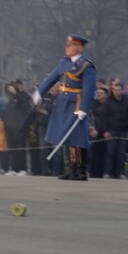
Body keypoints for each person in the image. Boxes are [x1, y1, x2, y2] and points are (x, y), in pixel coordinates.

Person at [35, 33, 97, 181]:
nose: (67, 48)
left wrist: (84, 108)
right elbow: (51, 79)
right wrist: (39, 93)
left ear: (79, 48)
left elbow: (89, 89)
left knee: (77, 138)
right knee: (66, 137)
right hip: (63, 103)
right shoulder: (64, 62)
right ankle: (70, 168)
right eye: (68, 45)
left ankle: (80, 170)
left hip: (76, 104)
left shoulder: (86, 65)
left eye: (71, 45)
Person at [1, 81, 33, 176]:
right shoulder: (11, 100)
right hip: (10, 127)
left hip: (20, 128)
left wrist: (16, 93)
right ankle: (14, 168)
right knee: (12, 149)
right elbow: (7, 112)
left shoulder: (24, 96)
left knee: (20, 149)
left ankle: (23, 169)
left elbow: (25, 106)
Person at [103, 79, 128, 180]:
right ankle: (107, 172)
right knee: (110, 152)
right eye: (115, 90)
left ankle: (120, 173)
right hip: (111, 130)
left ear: (122, 90)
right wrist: (106, 130)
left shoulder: (126, 101)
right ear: (112, 91)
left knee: (121, 153)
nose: (117, 92)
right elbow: (104, 117)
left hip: (124, 130)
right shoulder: (108, 102)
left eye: (119, 90)